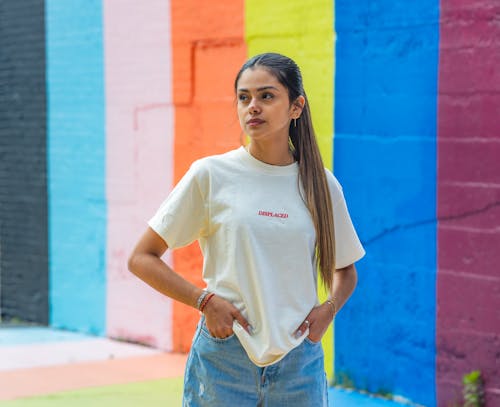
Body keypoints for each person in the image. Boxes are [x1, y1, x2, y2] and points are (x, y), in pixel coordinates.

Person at [128, 52, 365, 406]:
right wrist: (204, 301)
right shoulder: (210, 175)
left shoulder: (321, 185)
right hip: (224, 359)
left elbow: (345, 270)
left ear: (296, 107)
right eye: (244, 97)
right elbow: (141, 258)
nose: (253, 106)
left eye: (266, 96)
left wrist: (328, 310)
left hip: (299, 362)